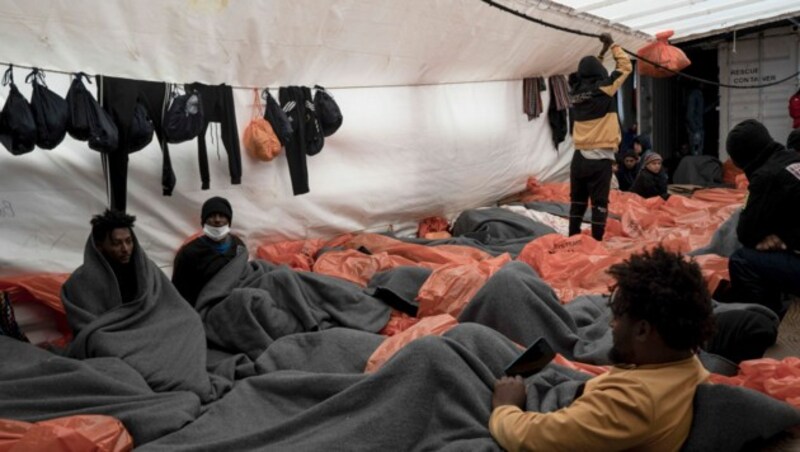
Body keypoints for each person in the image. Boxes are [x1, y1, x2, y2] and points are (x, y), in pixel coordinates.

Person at [489, 246, 714, 451]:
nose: (611, 325)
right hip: (572, 403)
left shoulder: (633, 403)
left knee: (466, 344)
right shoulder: (688, 365)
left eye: (618, 316)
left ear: (643, 331)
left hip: (529, 420)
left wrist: (505, 406)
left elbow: (532, 438)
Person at [726, 119, 800, 317]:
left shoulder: (766, 176)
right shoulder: (793, 159)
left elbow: (745, 231)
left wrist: (769, 238)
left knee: (742, 260)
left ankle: (765, 318)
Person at [568, 32, 632, 241]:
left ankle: (573, 240)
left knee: (577, 202)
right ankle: (596, 243)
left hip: (578, 158)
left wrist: (603, 51)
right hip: (600, 159)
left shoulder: (575, 90)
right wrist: (613, 45)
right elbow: (625, 67)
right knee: (599, 204)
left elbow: (595, 71)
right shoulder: (603, 89)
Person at [172, 196, 246, 306]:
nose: (217, 220)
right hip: (205, 305)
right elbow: (180, 291)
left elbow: (244, 275)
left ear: (229, 221)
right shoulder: (189, 253)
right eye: (212, 216)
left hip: (237, 299)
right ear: (203, 221)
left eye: (222, 215)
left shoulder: (238, 245)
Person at [89, 209, 138, 303]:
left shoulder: (147, 274)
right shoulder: (83, 281)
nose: (125, 249)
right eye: (116, 243)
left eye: (129, 241)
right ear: (99, 246)